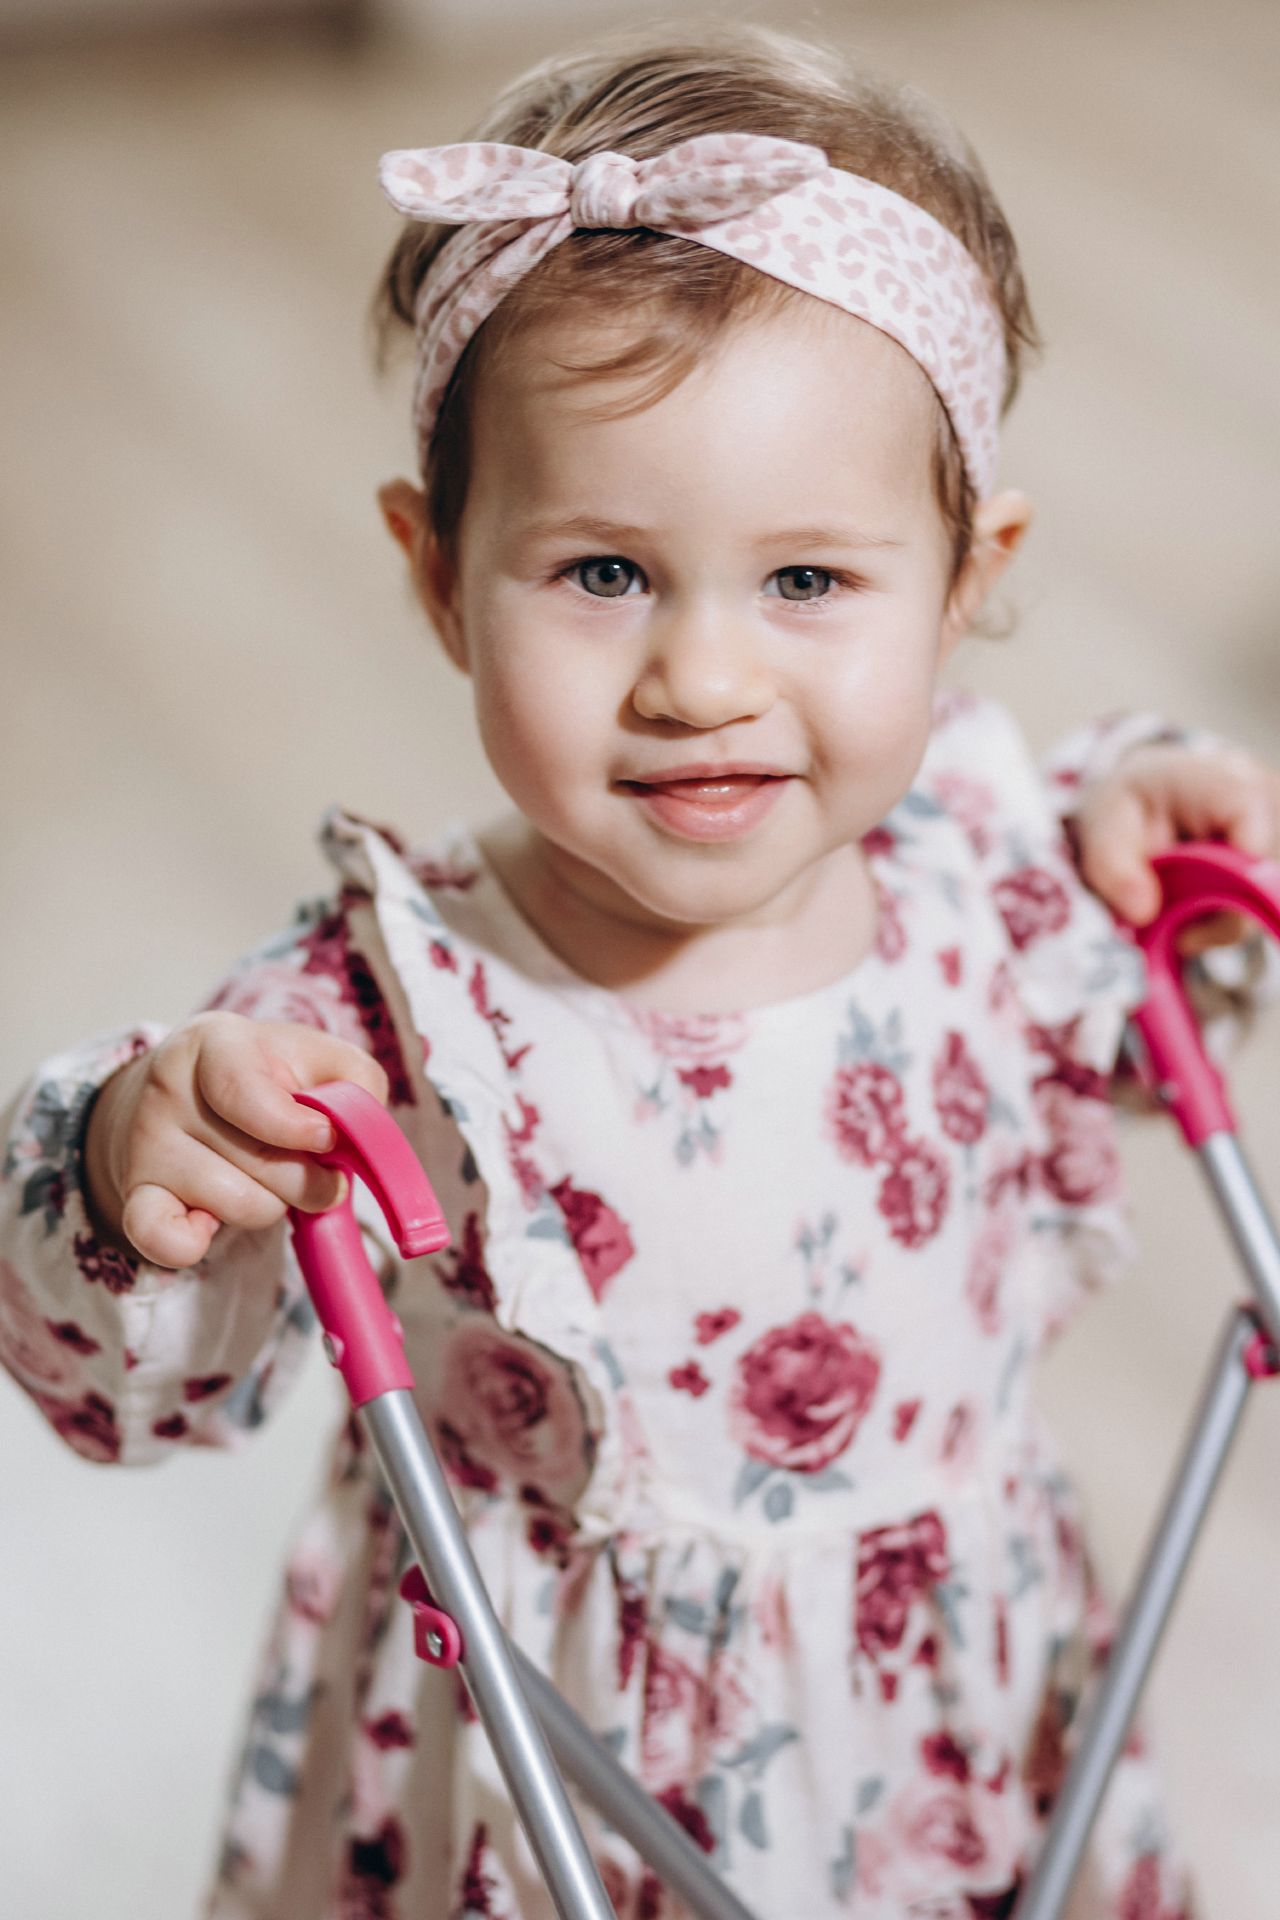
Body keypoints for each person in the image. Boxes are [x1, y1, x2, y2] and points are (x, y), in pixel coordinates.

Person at [2, 21, 1276, 1919]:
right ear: (439, 576)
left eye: (808, 581)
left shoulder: (996, 879)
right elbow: (118, 1392)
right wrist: (134, 1165)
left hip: (963, 1749)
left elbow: (1141, 939)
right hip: (541, 1782)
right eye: (603, 573)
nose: (702, 678)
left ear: (966, 579)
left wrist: (1158, 819)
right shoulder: (382, 1017)